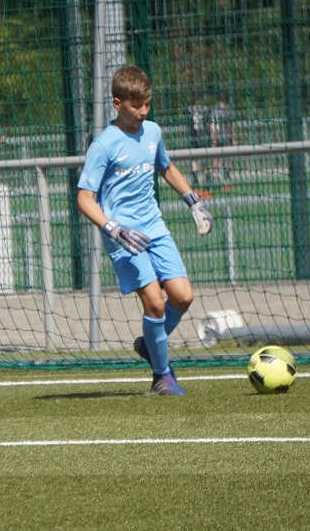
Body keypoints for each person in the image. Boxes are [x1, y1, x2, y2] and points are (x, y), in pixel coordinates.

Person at [76, 65, 214, 396]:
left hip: (155, 228)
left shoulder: (152, 132)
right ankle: (162, 376)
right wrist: (114, 229)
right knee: (154, 303)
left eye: (147, 104)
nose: (143, 112)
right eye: (136, 105)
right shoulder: (103, 145)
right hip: (124, 237)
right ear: (117, 103)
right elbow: (83, 198)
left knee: (183, 296)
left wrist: (193, 200)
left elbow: (166, 167)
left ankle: (149, 344)